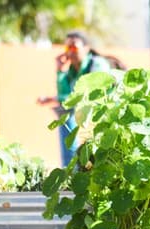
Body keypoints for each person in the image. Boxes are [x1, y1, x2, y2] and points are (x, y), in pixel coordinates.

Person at [37, 30, 114, 167]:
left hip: (105, 117)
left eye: (74, 47)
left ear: (86, 48)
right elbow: (66, 99)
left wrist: (54, 98)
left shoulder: (97, 65)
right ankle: (70, 170)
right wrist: (60, 71)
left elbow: (88, 95)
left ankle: (73, 168)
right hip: (86, 119)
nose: (70, 52)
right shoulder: (72, 71)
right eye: (67, 48)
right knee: (65, 114)